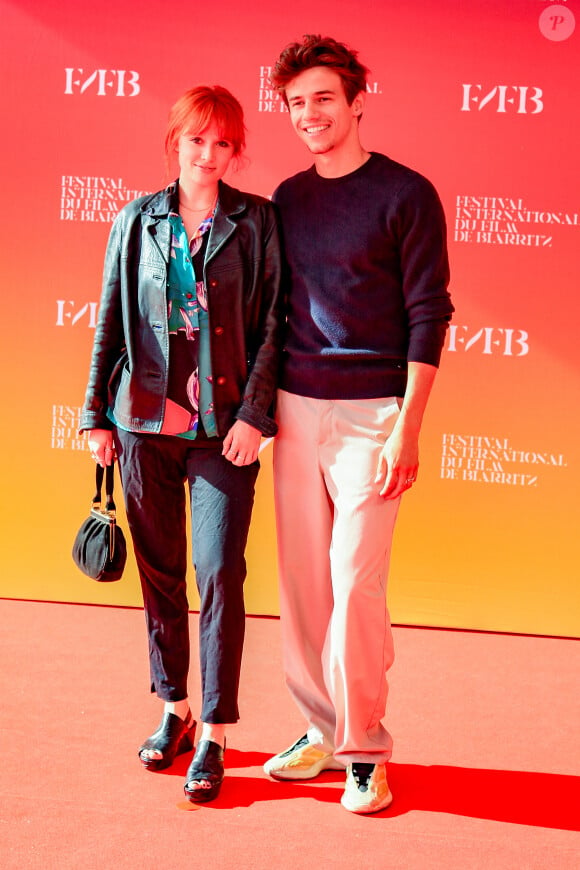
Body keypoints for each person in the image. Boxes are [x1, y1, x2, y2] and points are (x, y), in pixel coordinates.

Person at [263, 35, 454, 813]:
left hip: (376, 414)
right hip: (295, 408)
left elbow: (429, 313)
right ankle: (319, 726)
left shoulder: (407, 194)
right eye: (297, 103)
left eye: (323, 99)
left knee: (356, 585)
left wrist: (408, 425)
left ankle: (366, 746)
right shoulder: (287, 198)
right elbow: (273, 312)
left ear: (357, 100)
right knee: (306, 588)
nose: (309, 115)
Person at [80, 85, 283, 803]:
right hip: (142, 425)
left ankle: (216, 732)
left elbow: (270, 330)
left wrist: (255, 416)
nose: (207, 154)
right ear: (176, 142)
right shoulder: (137, 220)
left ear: (235, 150)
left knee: (219, 570)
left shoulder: (257, 223)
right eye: (195, 140)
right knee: (161, 572)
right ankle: (174, 708)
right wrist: (95, 415)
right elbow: (109, 318)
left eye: (221, 142)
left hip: (224, 429)